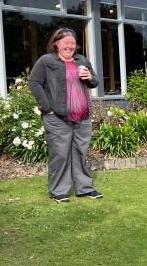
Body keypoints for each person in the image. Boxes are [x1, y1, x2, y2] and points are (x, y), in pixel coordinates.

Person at [29, 28, 102, 202]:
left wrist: (89, 76)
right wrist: (47, 108)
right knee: (60, 154)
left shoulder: (81, 60)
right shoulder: (46, 61)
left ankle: (84, 188)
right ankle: (58, 191)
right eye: (66, 42)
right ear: (56, 44)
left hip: (82, 116)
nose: (70, 46)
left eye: (72, 43)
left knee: (80, 153)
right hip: (57, 118)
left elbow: (95, 82)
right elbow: (34, 82)